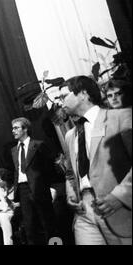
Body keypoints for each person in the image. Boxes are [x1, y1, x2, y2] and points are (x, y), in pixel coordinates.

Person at [58, 75, 131, 245]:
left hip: (116, 208)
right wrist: (71, 191)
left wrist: (118, 197)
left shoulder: (120, 118)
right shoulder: (71, 135)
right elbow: (70, 172)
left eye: (63, 96)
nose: (60, 102)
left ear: (83, 94)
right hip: (83, 213)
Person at [10, 117, 57, 245]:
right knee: (30, 227)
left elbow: (49, 169)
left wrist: (46, 187)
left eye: (16, 128)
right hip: (23, 190)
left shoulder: (39, 145)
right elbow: (16, 171)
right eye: (12, 128)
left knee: (48, 224)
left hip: (39, 189)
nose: (13, 131)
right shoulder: (14, 150)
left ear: (25, 129)